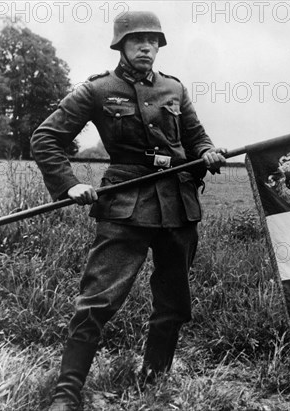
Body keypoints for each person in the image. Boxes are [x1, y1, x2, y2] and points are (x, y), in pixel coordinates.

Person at [30, 11, 226, 411]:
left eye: (153, 40)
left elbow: (196, 137)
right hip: (124, 205)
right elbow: (46, 137)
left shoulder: (174, 89)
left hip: (177, 205)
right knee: (97, 301)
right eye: (137, 40)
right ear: (121, 44)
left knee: (173, 302)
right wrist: (70, 184)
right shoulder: (98, 89)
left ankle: (153, 382)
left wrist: (207, 153)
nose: (146, 47)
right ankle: (66, 396)